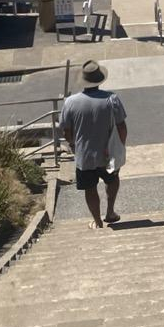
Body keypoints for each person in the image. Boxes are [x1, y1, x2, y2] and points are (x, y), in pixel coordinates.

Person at [61, 59, 127, 229]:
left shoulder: (70, 102)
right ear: (100, 80)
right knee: (112, 180)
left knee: (90, 188)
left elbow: (66, 131)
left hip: (84, 155)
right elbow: (122, 127)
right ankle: (110, 212)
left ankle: (97, 222)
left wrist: (73, 144)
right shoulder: (112, 99)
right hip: (108, 153)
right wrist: (120, 147)